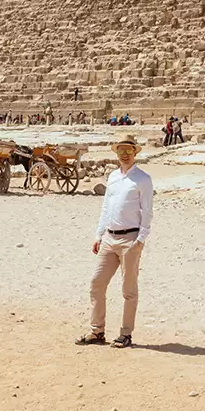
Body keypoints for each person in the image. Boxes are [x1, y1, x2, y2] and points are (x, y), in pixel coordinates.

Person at [76, 135, 153, 349]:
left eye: (129, 150)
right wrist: (98, 234)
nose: (125, 154)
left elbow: (147, 211)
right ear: (116, 153)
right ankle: (97, 331)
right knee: (97, 283)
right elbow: (106, 207)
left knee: (129, 290)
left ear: (135, 152)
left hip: (131, 239)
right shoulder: (112, 177)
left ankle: (126, 334)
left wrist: (141, 239)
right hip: (109, 238)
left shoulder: (143, 179)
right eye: (121, 150)